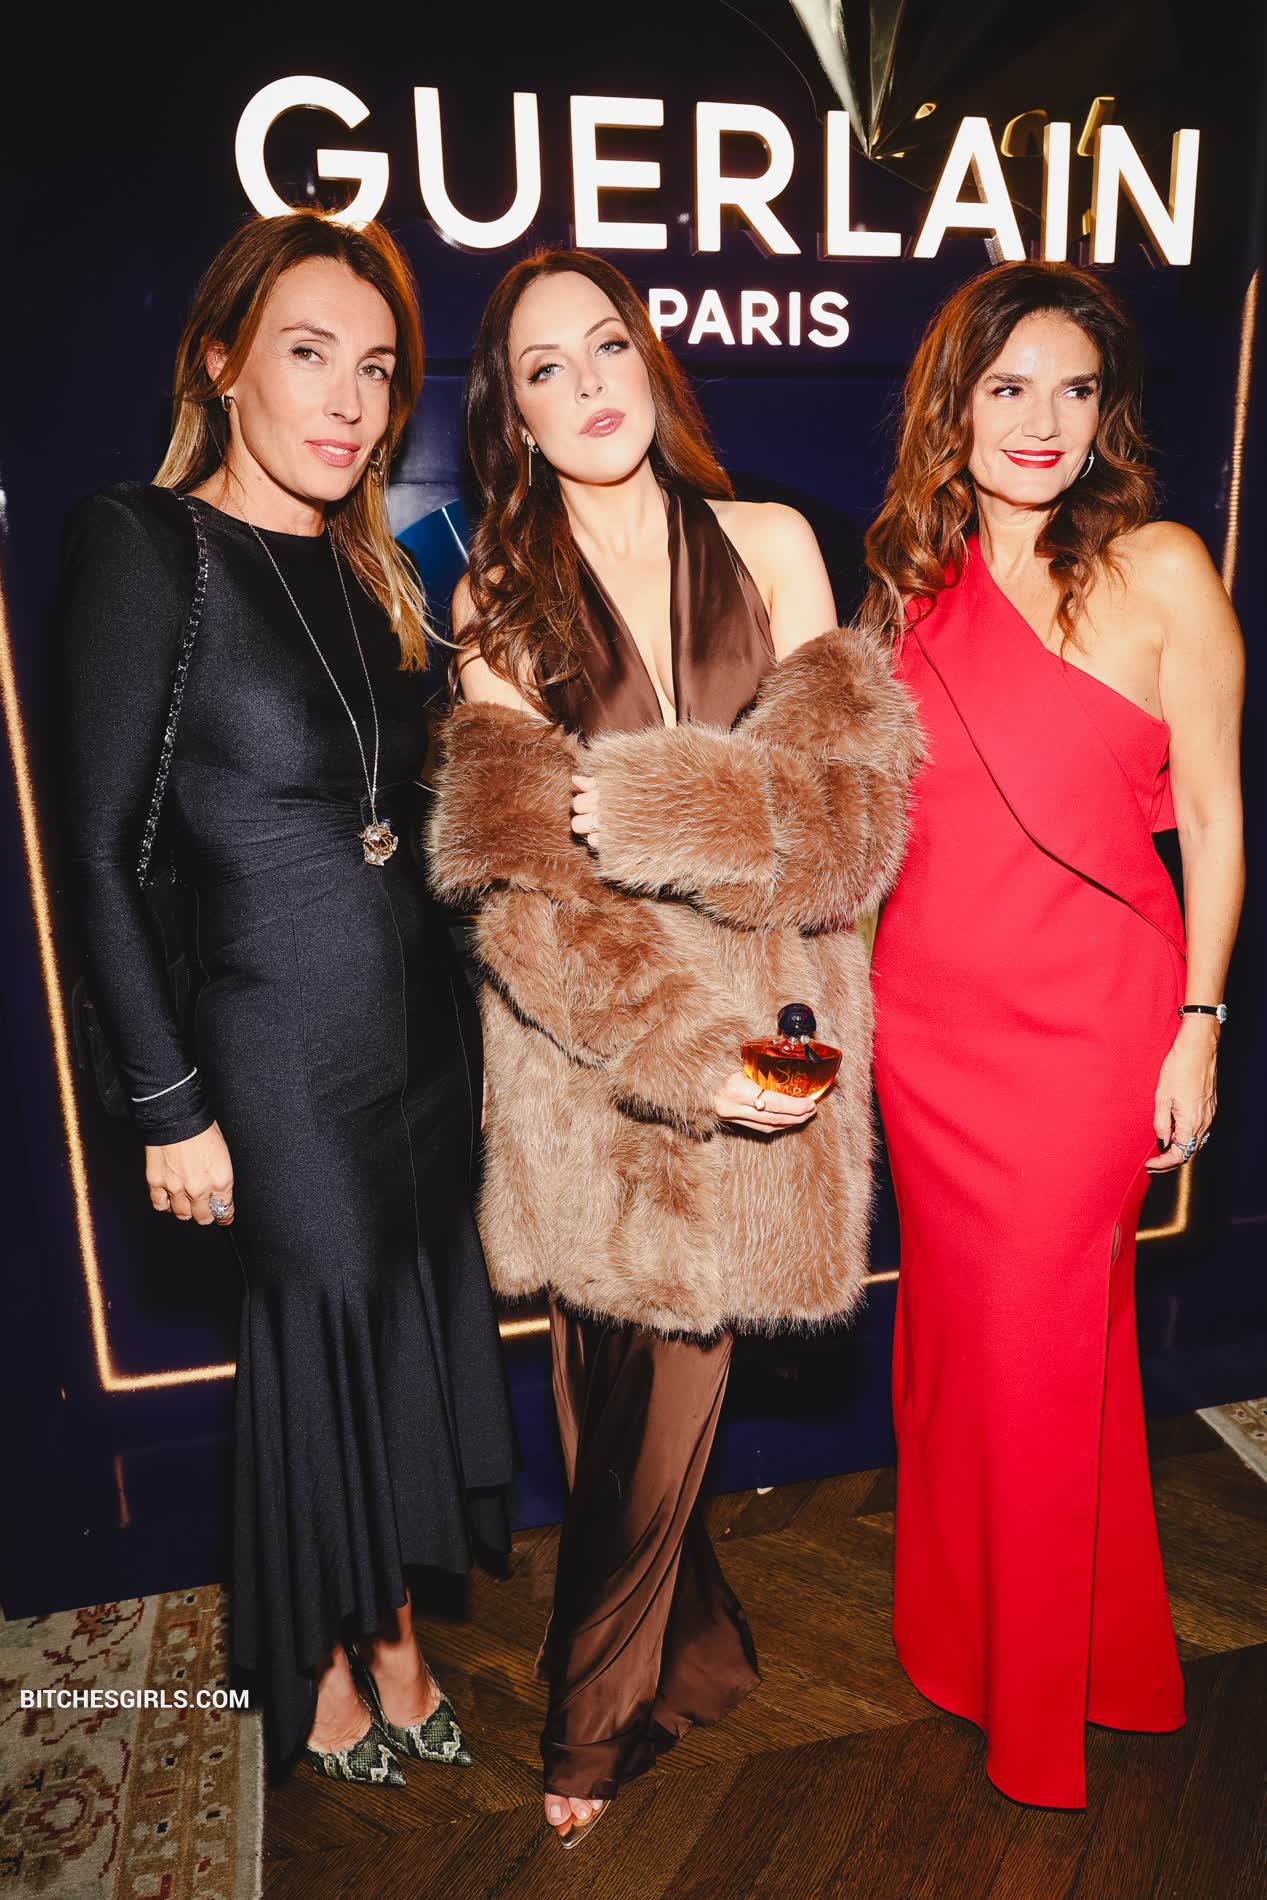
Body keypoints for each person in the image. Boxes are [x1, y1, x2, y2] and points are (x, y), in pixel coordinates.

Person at [426, 248, 923, 1845]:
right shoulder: (497, 602)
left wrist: (641, 808)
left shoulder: (771, 543)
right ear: (512, 414)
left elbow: (849, 833)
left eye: (607, 346)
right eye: (545, 369)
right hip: (594, 1065)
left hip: (777, 1032)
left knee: (670, 1395)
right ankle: (689, 1652)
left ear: (651, 359)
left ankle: (583, 1732)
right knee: (607, 1404)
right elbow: (519, 895)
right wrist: (670, 1047)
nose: (588, 385)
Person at [60, 210, 515, 1783]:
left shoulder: (375, 569)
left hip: (419, 1045)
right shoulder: (148, 544)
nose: (349, 399)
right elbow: (98, 854)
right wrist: (167, 1103)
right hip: (276, 1053)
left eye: (377, 370)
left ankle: (396, 1637)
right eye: (308, 354)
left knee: (404, 1335)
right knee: (322, 1344)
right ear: (220, 364)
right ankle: (320, 1664)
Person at [864, 261, 1246, 1807]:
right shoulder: (906, 588)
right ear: (951, 406)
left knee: (1034, 1351)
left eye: (1075, 389)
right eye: (1008, 386)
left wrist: (1201, 1022)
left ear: (1108, 412)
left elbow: (1213, 815)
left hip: (1090, 1027)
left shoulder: (1161, 567)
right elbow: (865, 833)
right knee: (968, 1355)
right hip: (926, 1034)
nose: (1043, 420)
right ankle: (982, 1643)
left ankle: (1039, 1714)